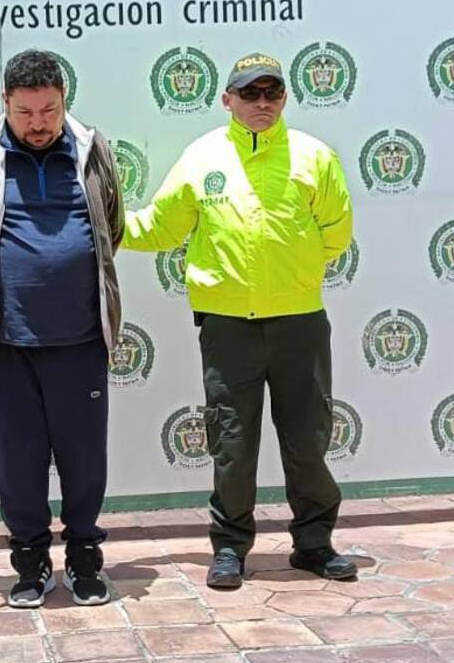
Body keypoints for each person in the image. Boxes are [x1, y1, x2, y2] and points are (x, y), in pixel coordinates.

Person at [123, 52, 356, 589]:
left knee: (306, 438)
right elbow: (161, 227)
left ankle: (315, 544)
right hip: (227, 327)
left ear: (285, 98)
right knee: (232, 441)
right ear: (227, 99)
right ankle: (229, 549)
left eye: (272, 92)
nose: (262, 103)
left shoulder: (313, 157)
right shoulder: (202, 157)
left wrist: (291, 272)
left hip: (299, 321)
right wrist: (103, 218)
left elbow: (336, 232)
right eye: (249, 94)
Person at [0, 49, 124, 608]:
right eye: (26, 112)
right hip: (7, 343)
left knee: (85, 462)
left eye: (50, 110)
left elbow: (110, 226)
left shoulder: (92, 150)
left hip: (82, 340)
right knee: (17, 462)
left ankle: (86, 560)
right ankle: (30, 562)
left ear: (65, 101)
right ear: (5, 104)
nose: (39, 123)